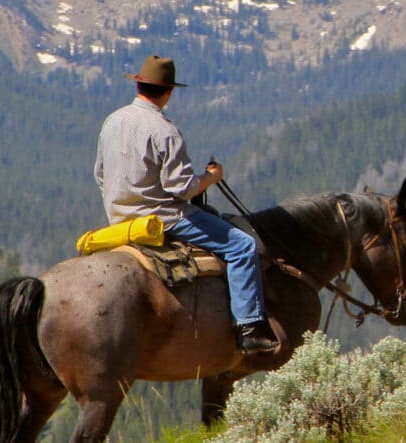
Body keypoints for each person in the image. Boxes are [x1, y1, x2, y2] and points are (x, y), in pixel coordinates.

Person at [94, 55, 280, 356]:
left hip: (119, 218)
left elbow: (100, 175)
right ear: (168, 92)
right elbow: (180, 189)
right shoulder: (164, 130)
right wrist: (211, 177)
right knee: (242, 247)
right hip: (166, 218)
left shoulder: (112, 121)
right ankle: (249, 328)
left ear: (139, 84)